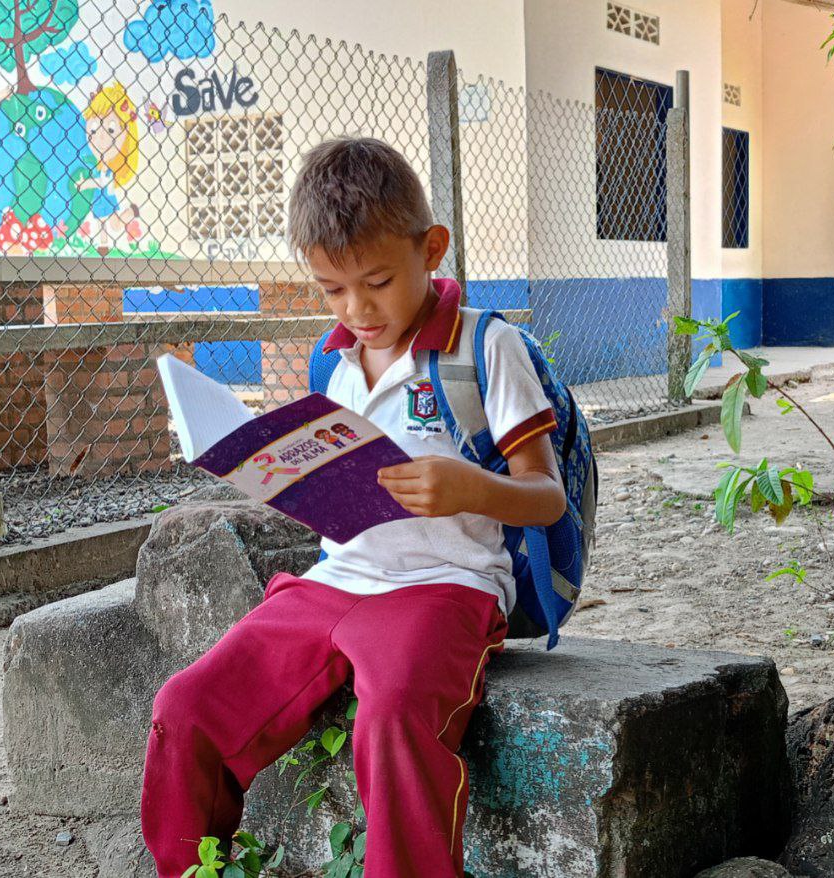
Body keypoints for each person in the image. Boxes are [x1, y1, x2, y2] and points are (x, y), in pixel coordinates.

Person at [140, 137, 568, 878]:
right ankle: (188, 868)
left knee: (396, 715)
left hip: (445, 587)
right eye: (331, 289)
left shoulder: (485, 347)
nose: (356, 308)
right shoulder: (333, 361)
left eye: (376, 281)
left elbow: (546, 495)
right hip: (334, 582)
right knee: (187, 706)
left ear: (430, 249)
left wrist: (468, 487)